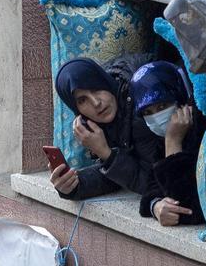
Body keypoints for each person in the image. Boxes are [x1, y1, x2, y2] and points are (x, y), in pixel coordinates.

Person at [48, 55, 162, 201]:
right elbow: (113, 178)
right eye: (82, 100)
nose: (96, 103)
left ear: (105, 81)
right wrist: (73, 186)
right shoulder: (109, 121)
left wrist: (105, 153)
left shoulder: (140, 104)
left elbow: (155, 183)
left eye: (96, 89)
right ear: (77, 111)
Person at [129, 61, 206, 227]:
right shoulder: (163, 140)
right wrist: (155, 206)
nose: (157, 117)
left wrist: (173, 143)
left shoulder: (204, 129)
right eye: (147, 112)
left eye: (163, 106)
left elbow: (188, 208)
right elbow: (151, 189)